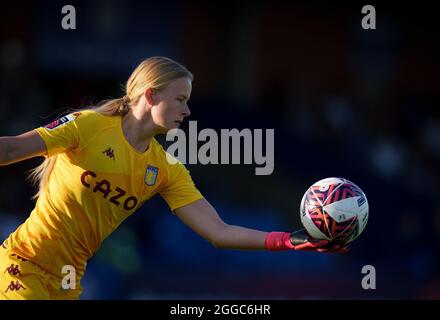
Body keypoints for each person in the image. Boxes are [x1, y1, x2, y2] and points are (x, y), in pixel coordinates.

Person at [0, 56, 346, 300]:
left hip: (68, 282)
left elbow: (219, 232)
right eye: (180, 99)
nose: (188, 110)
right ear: (151, 95)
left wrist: (290, 240)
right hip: (23, 263)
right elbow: (12, 150)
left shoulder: (165, 169)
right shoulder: (88, 126)